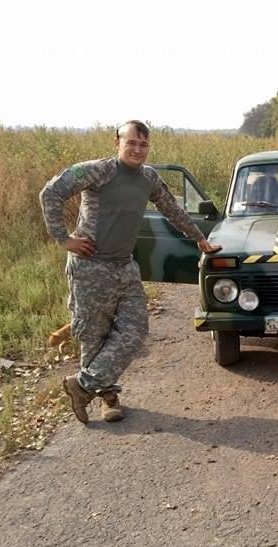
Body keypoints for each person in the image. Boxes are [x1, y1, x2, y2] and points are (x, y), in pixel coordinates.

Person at [39, 120, 221, 423]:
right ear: (117, 143)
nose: (137, 149)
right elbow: (51, 193)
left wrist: (199, 238)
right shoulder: (98, 170)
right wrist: (64, 239)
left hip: (124, 266)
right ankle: (108, 399)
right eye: (131, 142)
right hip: (91, 268)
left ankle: (81, 385)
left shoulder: (148, 177)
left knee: (135, 330)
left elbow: (172, 210)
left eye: (143, 144)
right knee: (94, 335)